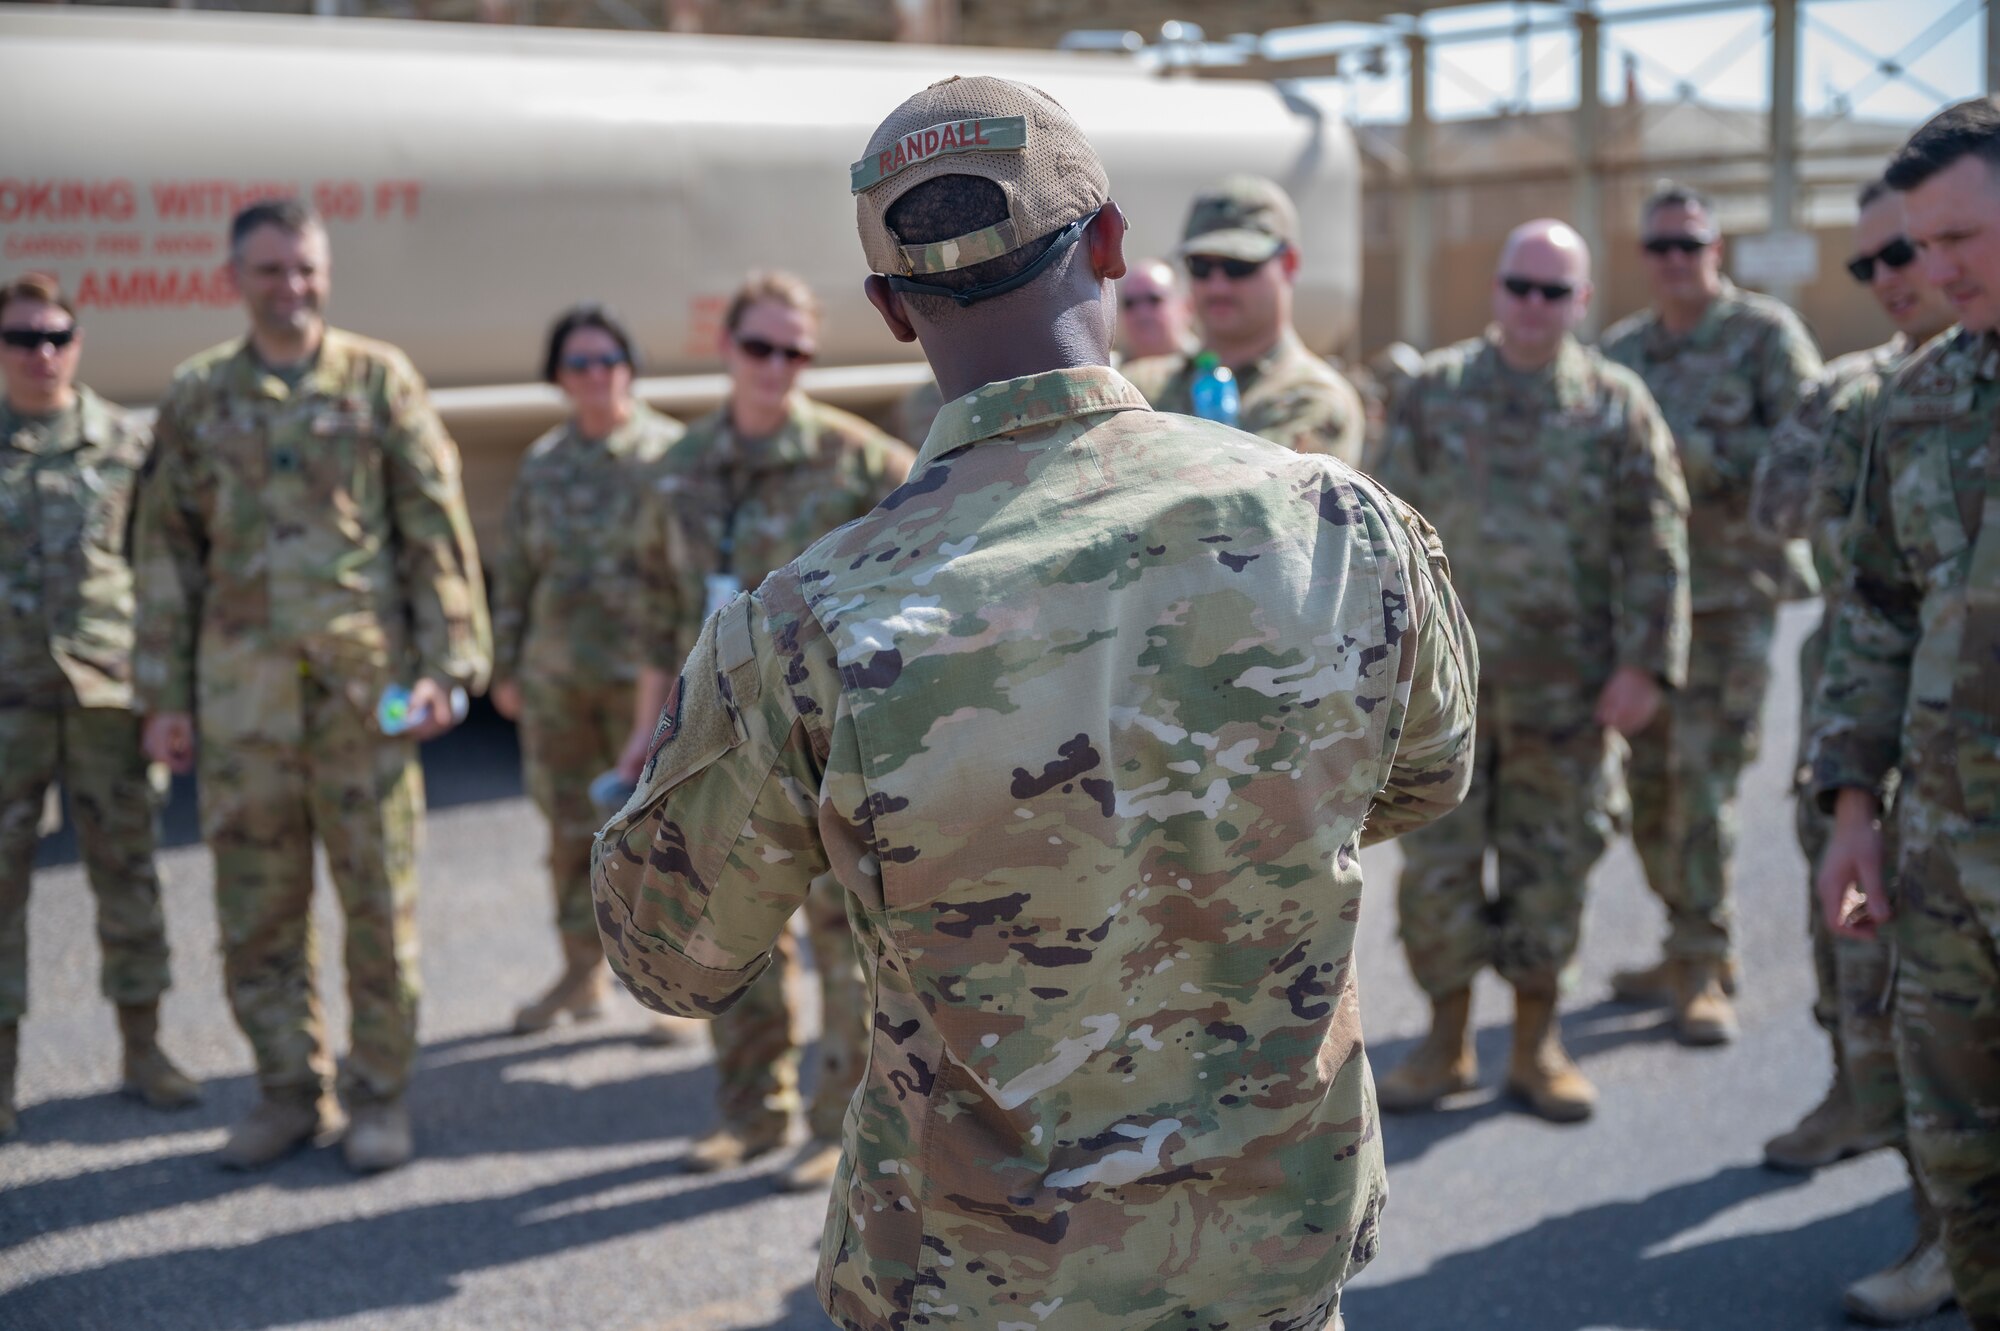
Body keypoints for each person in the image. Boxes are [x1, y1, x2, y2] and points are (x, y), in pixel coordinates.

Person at [594, 74, 1477, 1328]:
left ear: (891, 311)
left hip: (975, 1283)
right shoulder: (1336, 524)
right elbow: (1424, 772)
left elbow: (667, 953)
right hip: (1270, 1259)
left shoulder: (809, 622)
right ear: (1111, 242)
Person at [134, 199, 491, 1174]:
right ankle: (289, 1090)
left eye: (304, 269)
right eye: (269, 271)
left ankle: (378, 1096)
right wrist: (163, 694)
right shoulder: (198, 395)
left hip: (362, 699)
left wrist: (449, 665)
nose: (290, 288)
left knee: (379, 904)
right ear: (235, 278)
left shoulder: (379, 380)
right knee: (256, 909)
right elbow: (164, 553)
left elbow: (434, 529)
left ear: (324, 272)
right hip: (244, 703)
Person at [1372, 220, 1690, 1124]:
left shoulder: (1616, 402)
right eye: (1521, 286)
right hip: (1446, 695)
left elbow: (1657, 541)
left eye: (1555, 292)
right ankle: (1445, 1040)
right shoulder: (1436, 393)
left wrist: (1647, 666)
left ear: (1582, 302)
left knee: (1553, 867)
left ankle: (1538, 1042)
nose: (1534, 306)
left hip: (1570, 693)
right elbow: (1382, 534)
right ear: (1497, 289)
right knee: (1438, 870)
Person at [618, 269, 914, 1190]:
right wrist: (642, 743)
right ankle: (749, 1111)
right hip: (715, 736)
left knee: (840, 936)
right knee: (727, 923)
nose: (777, 366)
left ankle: (838, 1122)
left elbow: (918, 589)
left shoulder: (861, 462)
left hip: (830, 741)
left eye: (796, 351)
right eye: (760, 346)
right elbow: (650, 608)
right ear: (728, 347)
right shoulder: (675, 468)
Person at [1750, 176, 1956, 1325]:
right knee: (1858, 946)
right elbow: (1779, 511)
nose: (1891, 278)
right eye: (1869, 264)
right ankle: (1857, 1103)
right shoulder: (1852, 392)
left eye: (1907, 254)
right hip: (1862, 704)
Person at [1812, 98, 2000, 1331]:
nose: (1933, 269)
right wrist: (1846, 812)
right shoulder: (1922, 396)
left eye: (1961, 237)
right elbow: (1873, 613)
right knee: (1958, 1151)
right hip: (1939, 859)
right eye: (1917, 244)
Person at [1601, 181, 1823, 1044]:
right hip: (1650, 606)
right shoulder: (1626, 351)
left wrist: (1691, 456)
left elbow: (1806, 444)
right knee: (1649, 790)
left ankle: (1701, 961)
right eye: (1660, 247)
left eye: (1690, 245)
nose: (1675, 262)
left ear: (1715, 251)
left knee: (1702, 784)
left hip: (1733, 600)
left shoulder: (1764, 336)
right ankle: (1684, 937)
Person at [0, 273, 201, 1139]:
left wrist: (167, 697)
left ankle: (144, 1048)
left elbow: (160, 578)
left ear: (78, 342)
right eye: (21, 337)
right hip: (6, 703)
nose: (41, 352)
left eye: (55, 335)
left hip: (106, 701)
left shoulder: (125, 442)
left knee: (128, 874)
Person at [488, 305, 685, 1036]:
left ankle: (672, 987)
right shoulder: (542, 464)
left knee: (665, 833)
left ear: (630, 366)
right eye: (579, 364)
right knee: (570, 833)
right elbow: (514, 573)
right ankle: (579, 973)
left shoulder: (671, 454)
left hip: (648, 680)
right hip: (557, 680)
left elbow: (693, 576)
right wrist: (504, 665)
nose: (596, 375)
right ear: (558, 379)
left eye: (608, 360)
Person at [1123, 175, 1368, 463]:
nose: (1217, 286)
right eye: (1200, 266)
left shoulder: (1313, 398)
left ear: (1289, 264)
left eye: (1238, 266)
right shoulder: (1141, 384)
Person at [1115, 257, 1195, 361]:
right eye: (1129, 303)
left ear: (1186, 308)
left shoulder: (1212, 364)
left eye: (1154, 300)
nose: (1141, 313)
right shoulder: (1105, 372)